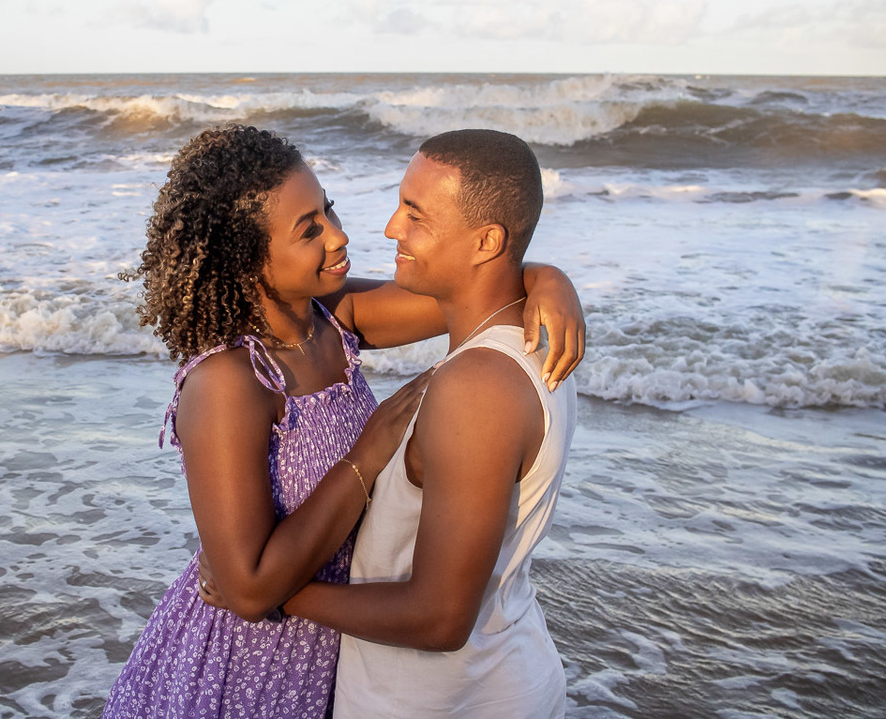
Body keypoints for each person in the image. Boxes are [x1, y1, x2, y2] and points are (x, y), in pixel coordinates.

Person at [104, 124, 583, 718]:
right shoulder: (230, 383)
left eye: (328, 211)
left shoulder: (335, 320)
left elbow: (466, 286)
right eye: (310, 230)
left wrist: (548, 279)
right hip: (249, 662)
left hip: (345, 638)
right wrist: (367, 452)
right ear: (248, 259)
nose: (341, 235)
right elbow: (248, 587)